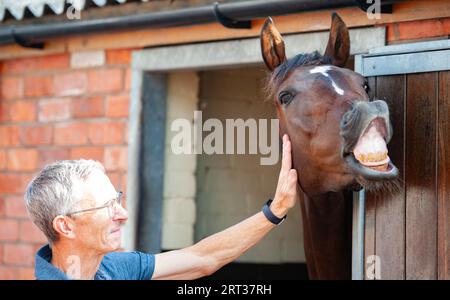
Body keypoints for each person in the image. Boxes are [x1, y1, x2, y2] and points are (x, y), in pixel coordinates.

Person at [25, 135, 299, 280]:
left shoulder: (115, 269)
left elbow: (203, 259)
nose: (123, 214)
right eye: (106, 206)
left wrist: (276, 210)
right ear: (65, 226)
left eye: (117, 200)